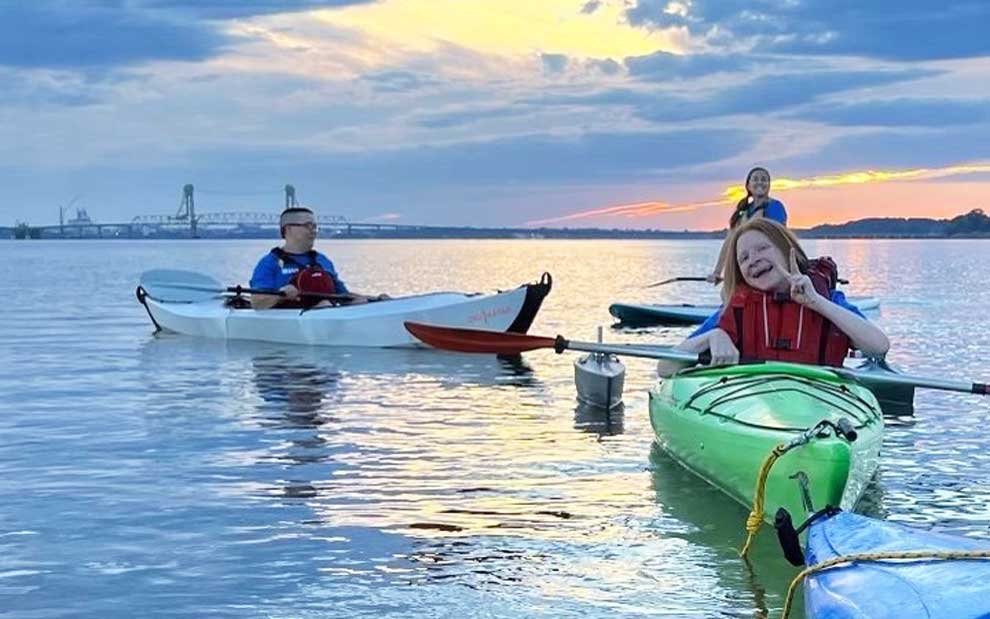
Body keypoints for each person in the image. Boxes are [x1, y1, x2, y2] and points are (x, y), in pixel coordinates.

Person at [657, 219, 888, 376]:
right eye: (744, 258)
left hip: (819, 404)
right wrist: (711, 337)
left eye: (762, 249)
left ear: (789, 252)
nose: (753, 260)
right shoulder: (737, 309)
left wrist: (817, 303)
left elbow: (878, 347)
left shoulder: (828, 300)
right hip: (754, 408)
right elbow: (665, 367)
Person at [249, 207, 385, 309]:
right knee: (325, 304)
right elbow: (256, 302)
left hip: (326, 312)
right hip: (293, 315)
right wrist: (280, 294)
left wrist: (377, 300)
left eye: (314, 226)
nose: (313, 230)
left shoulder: (322, 261)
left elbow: (344, 295)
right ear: (288, 229)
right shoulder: (269, 263)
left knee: (360, 302)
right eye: (307, 226)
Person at [708, 167, 788, 283]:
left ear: (769, 185)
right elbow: (729, 242)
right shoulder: (743, 211)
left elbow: (780, 239)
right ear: (748, 186)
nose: (760, 182)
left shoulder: (775, 207)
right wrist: (717, 272)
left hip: (768, 268)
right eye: (755, 179)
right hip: (746, 267)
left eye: (764, 179)